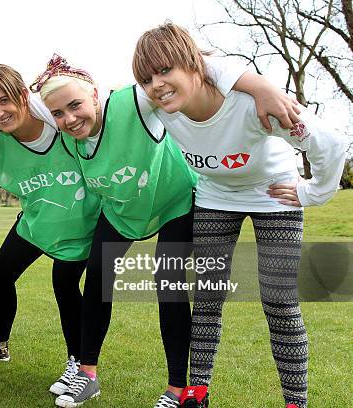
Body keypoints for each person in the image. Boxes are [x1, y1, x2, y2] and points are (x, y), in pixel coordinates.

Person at [31, 54, 301, 408]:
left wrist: (260, 85)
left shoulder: (135, 101)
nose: (68, 118)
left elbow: (191, 65)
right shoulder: (63, 130)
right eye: (58, 113)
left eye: (75, 105)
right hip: (123, 210)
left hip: (176, 202)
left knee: (168, 283)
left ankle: (176, 389)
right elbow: (16, 111)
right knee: (97, 276)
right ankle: (87, 374)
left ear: (96, 95)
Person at [132, 22, 346, 408]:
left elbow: (330, 144)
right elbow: (91, 103)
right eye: (147, 78)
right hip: (216, 198)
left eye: (165, 70)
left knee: (279, 301)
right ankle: (196, 393)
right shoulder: (156, 104)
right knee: (208, 297)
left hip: (274, 197)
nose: (156, 84)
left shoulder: (251, 103)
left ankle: (295, 402)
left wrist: (310, 193)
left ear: (196, 65)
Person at [0, 64, 101, 397]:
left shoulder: (63, 124)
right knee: (1, 273)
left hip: (80, 222)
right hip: (36, 221)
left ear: (24, 94)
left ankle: (79, 365)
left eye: (3, 100)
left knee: (64, 284)